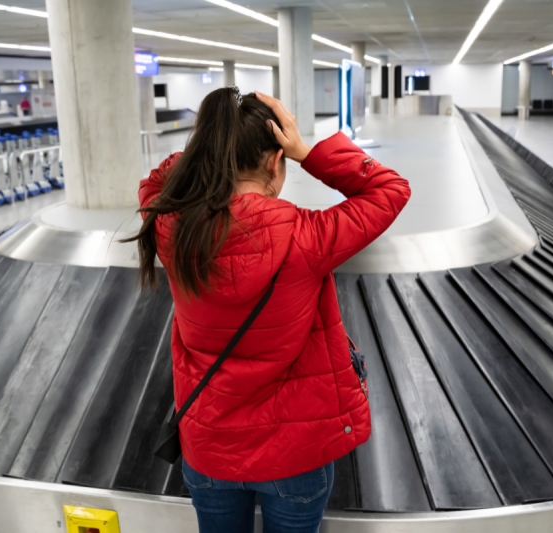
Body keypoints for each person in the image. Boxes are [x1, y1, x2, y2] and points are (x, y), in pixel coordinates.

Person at [128, 87, 410, 532]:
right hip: (294, 456)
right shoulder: (308, 236)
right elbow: (390, 189)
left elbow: (154, 182)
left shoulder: (171, 229)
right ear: (275, 162)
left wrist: (207, 143)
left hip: (210, 450)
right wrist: (310, 151)